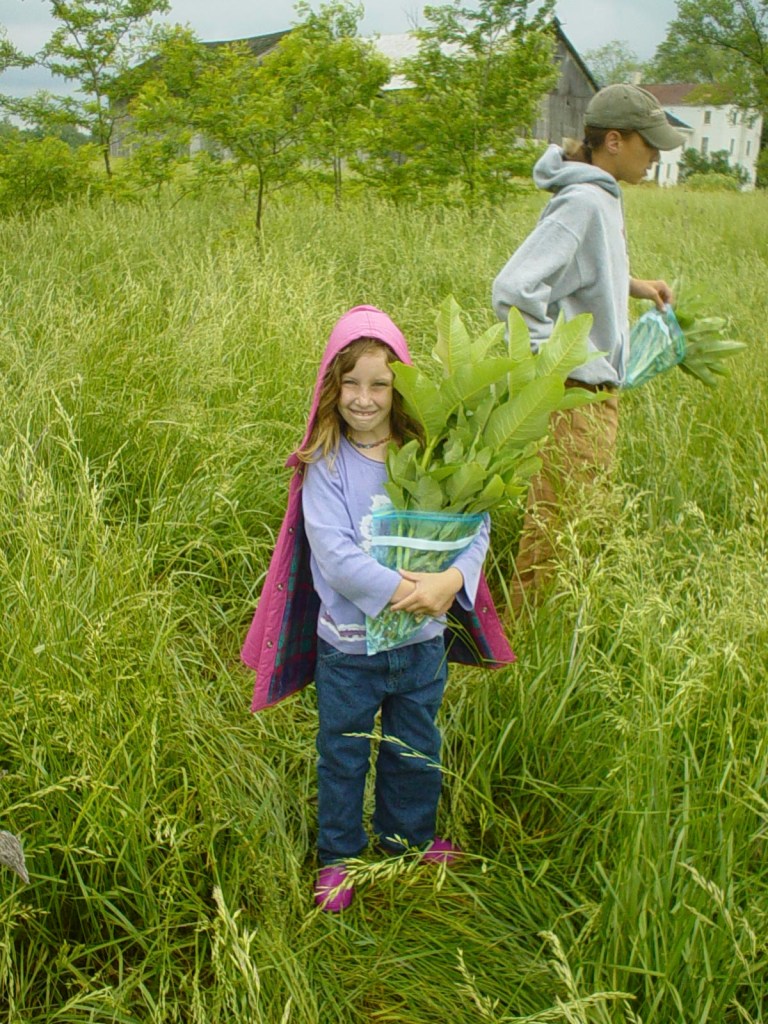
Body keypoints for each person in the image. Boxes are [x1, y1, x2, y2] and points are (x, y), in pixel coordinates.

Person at [240, 305, 514, 913]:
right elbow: (335, 557)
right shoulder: (326, 466)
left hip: (420, 645)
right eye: (351, 383)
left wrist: (451, 580)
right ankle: (338, 857)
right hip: (351, 650)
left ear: (401, 388)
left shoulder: (426, 455)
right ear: (330, 387)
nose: (364, 399)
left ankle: (407, 842)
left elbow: (475, 525)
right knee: (343, 754)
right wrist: (410, 592)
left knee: (415, 748)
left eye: (381, 385)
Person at [491, 83, 686, 611]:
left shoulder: (599, 195)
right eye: (651, 143)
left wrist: (636, 285)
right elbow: (514, 289)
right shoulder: (584, 201)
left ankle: (542, 640)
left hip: (596, 393)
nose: (657, 155)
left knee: (576, 524)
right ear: (616, 142)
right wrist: (548, 366)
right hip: (576, 394)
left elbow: (581, 271)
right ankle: (519, 656)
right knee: (554, 530)